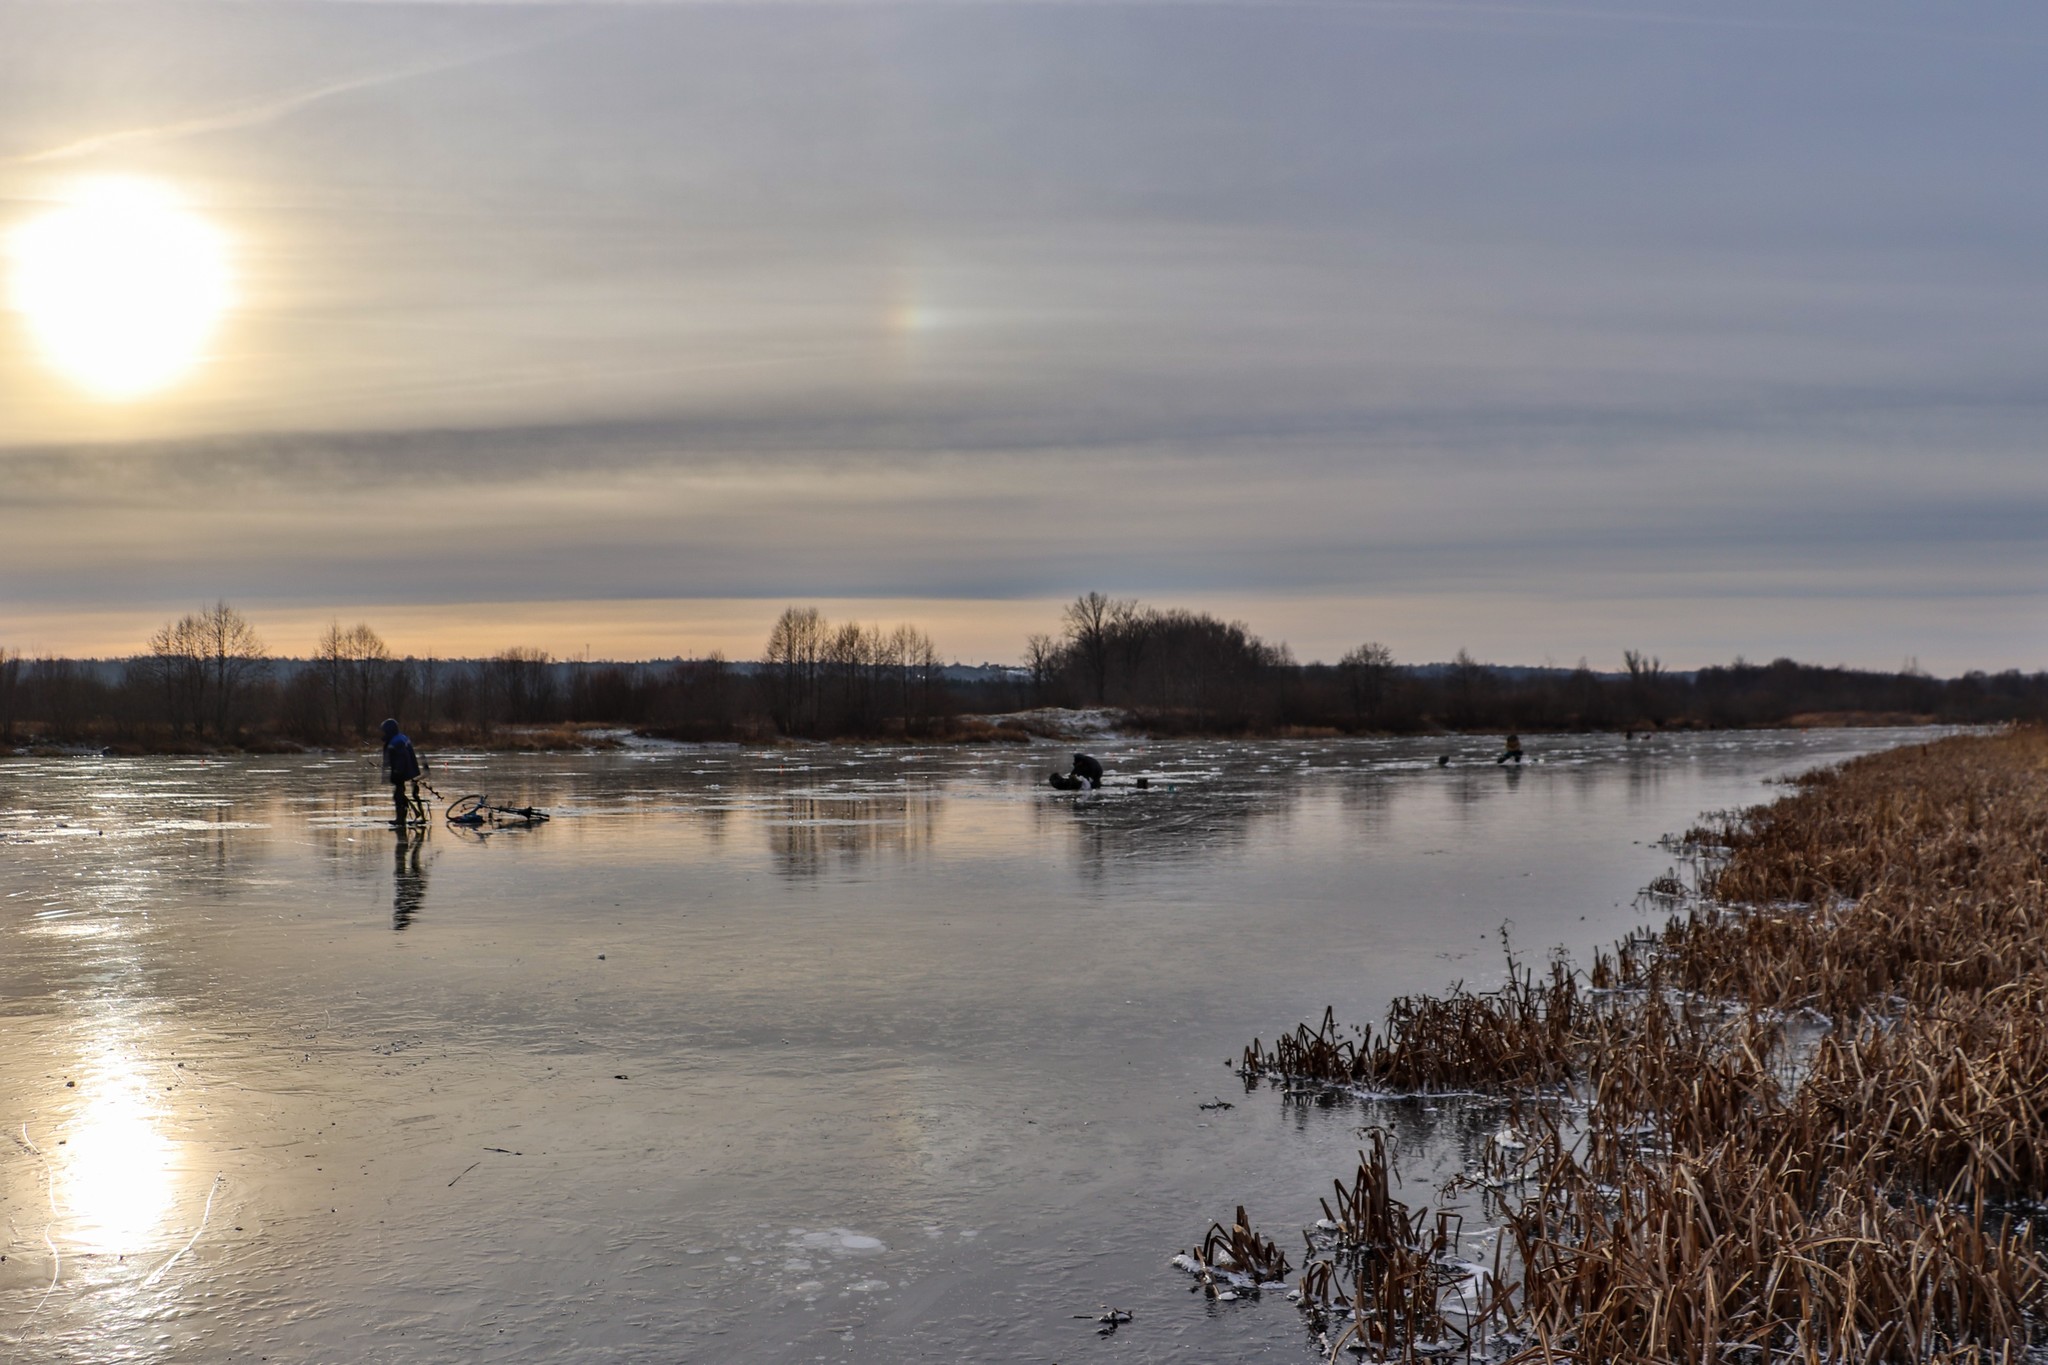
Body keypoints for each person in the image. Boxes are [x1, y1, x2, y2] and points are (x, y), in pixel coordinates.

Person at [379, 718, 423, 826]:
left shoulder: (396, 742)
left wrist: (397, 772)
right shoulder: (402, 738)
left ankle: (400, 819)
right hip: (409, 769)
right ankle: (402, 816)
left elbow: (401, 759)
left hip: (402, 772)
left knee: (398, 796)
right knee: (399, 793)